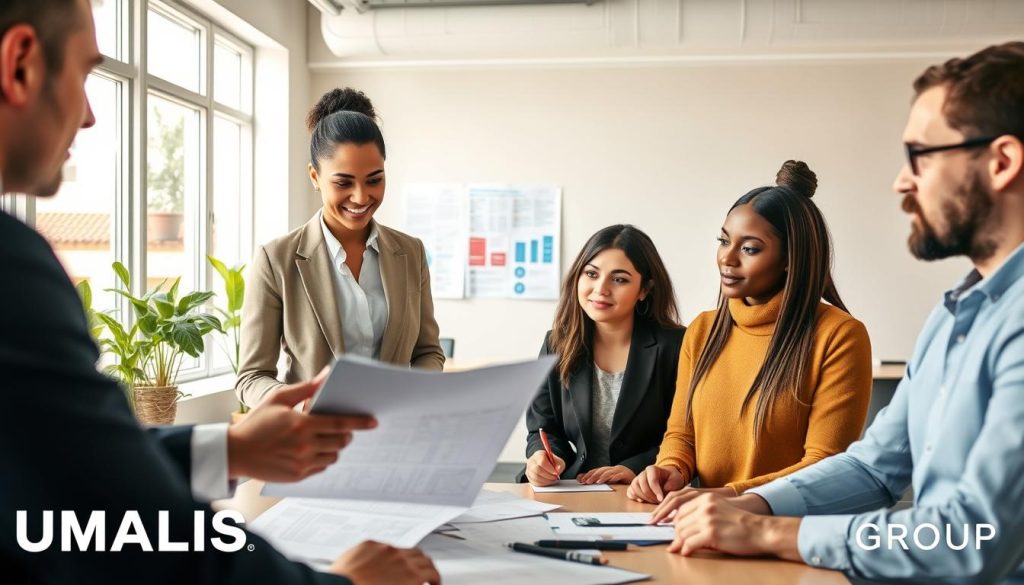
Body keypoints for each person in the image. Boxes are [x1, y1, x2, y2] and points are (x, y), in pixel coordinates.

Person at [0, 2, 439, 583]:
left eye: (375, 178)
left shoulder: (410, 252)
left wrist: (230, 448)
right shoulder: (14, 269)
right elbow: (126, 512)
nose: (89, 115)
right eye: (84, 74)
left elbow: (73, 472)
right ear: (22, 65)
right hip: (313, 478)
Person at [664, 42, 1024, 585]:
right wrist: (751, 506)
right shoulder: (952, 316)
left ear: (1001, 162)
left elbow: (971, 536)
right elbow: (873, 467)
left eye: (921, 156)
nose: (903, 182)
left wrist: (770, 533)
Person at [629, 161, 873, 521]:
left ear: (791, 259)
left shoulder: (839, 335)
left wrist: (728, 497)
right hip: (706, 521)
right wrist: (670, 469)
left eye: (750, 249)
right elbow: (681, 434)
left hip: (787, 531)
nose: (726, 258)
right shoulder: (703, 329)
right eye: (724, 240)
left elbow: (825, 466)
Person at [236, 88, 445, 407]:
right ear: (315, 176)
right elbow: (252, 377)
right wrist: (302, 400)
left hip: (394, 439)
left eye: (374, 180)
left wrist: (415, 392)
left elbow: (427, 352)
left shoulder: (410, 253)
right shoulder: (276, 260)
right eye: (343, 183)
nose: (361, 197)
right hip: (313, 443)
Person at [521, 225, 685, 486]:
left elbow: (688, 435)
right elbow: (543, 429)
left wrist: (634, 467)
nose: (601, 289)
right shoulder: (557, 343)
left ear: (645, 289)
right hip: (575, 488)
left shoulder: (677, 346)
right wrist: (544, 457)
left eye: (619, 279)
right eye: (591, 274)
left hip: (648, 490)